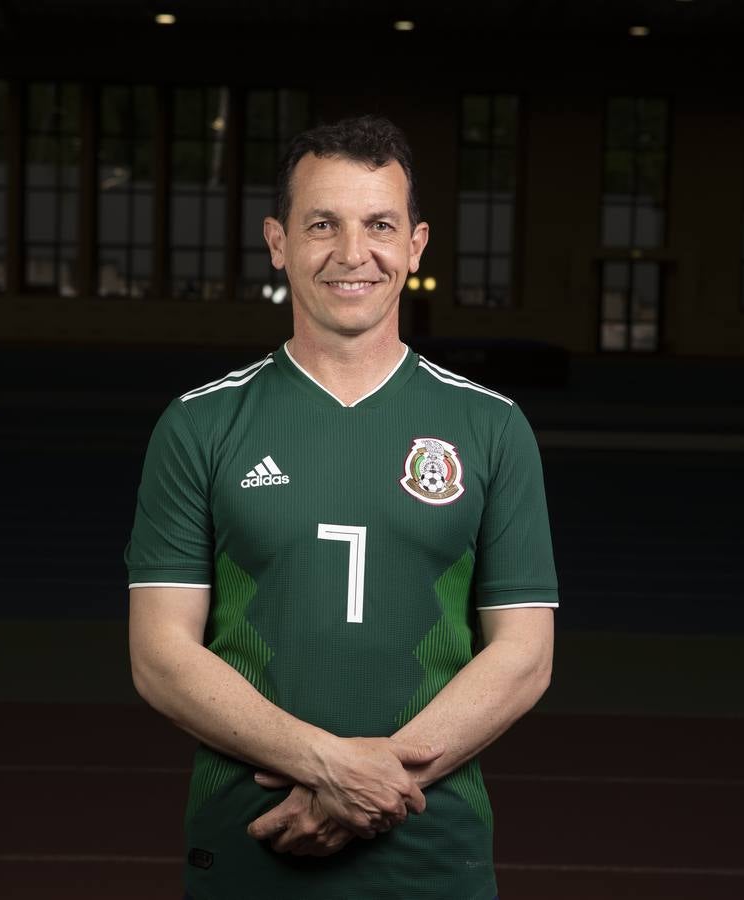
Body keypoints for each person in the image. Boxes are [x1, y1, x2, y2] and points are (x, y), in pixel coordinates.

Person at [125, 114, 557, 900]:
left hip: (434, 853)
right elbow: (160, 658)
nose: (352, 254)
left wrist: (371, 789)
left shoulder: (490, 427)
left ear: (417, 245)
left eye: (380, 225)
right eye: (322, 224)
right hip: (250, 842)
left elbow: (525, 656)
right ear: (278, 241)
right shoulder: (200, 425)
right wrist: (329, 767)